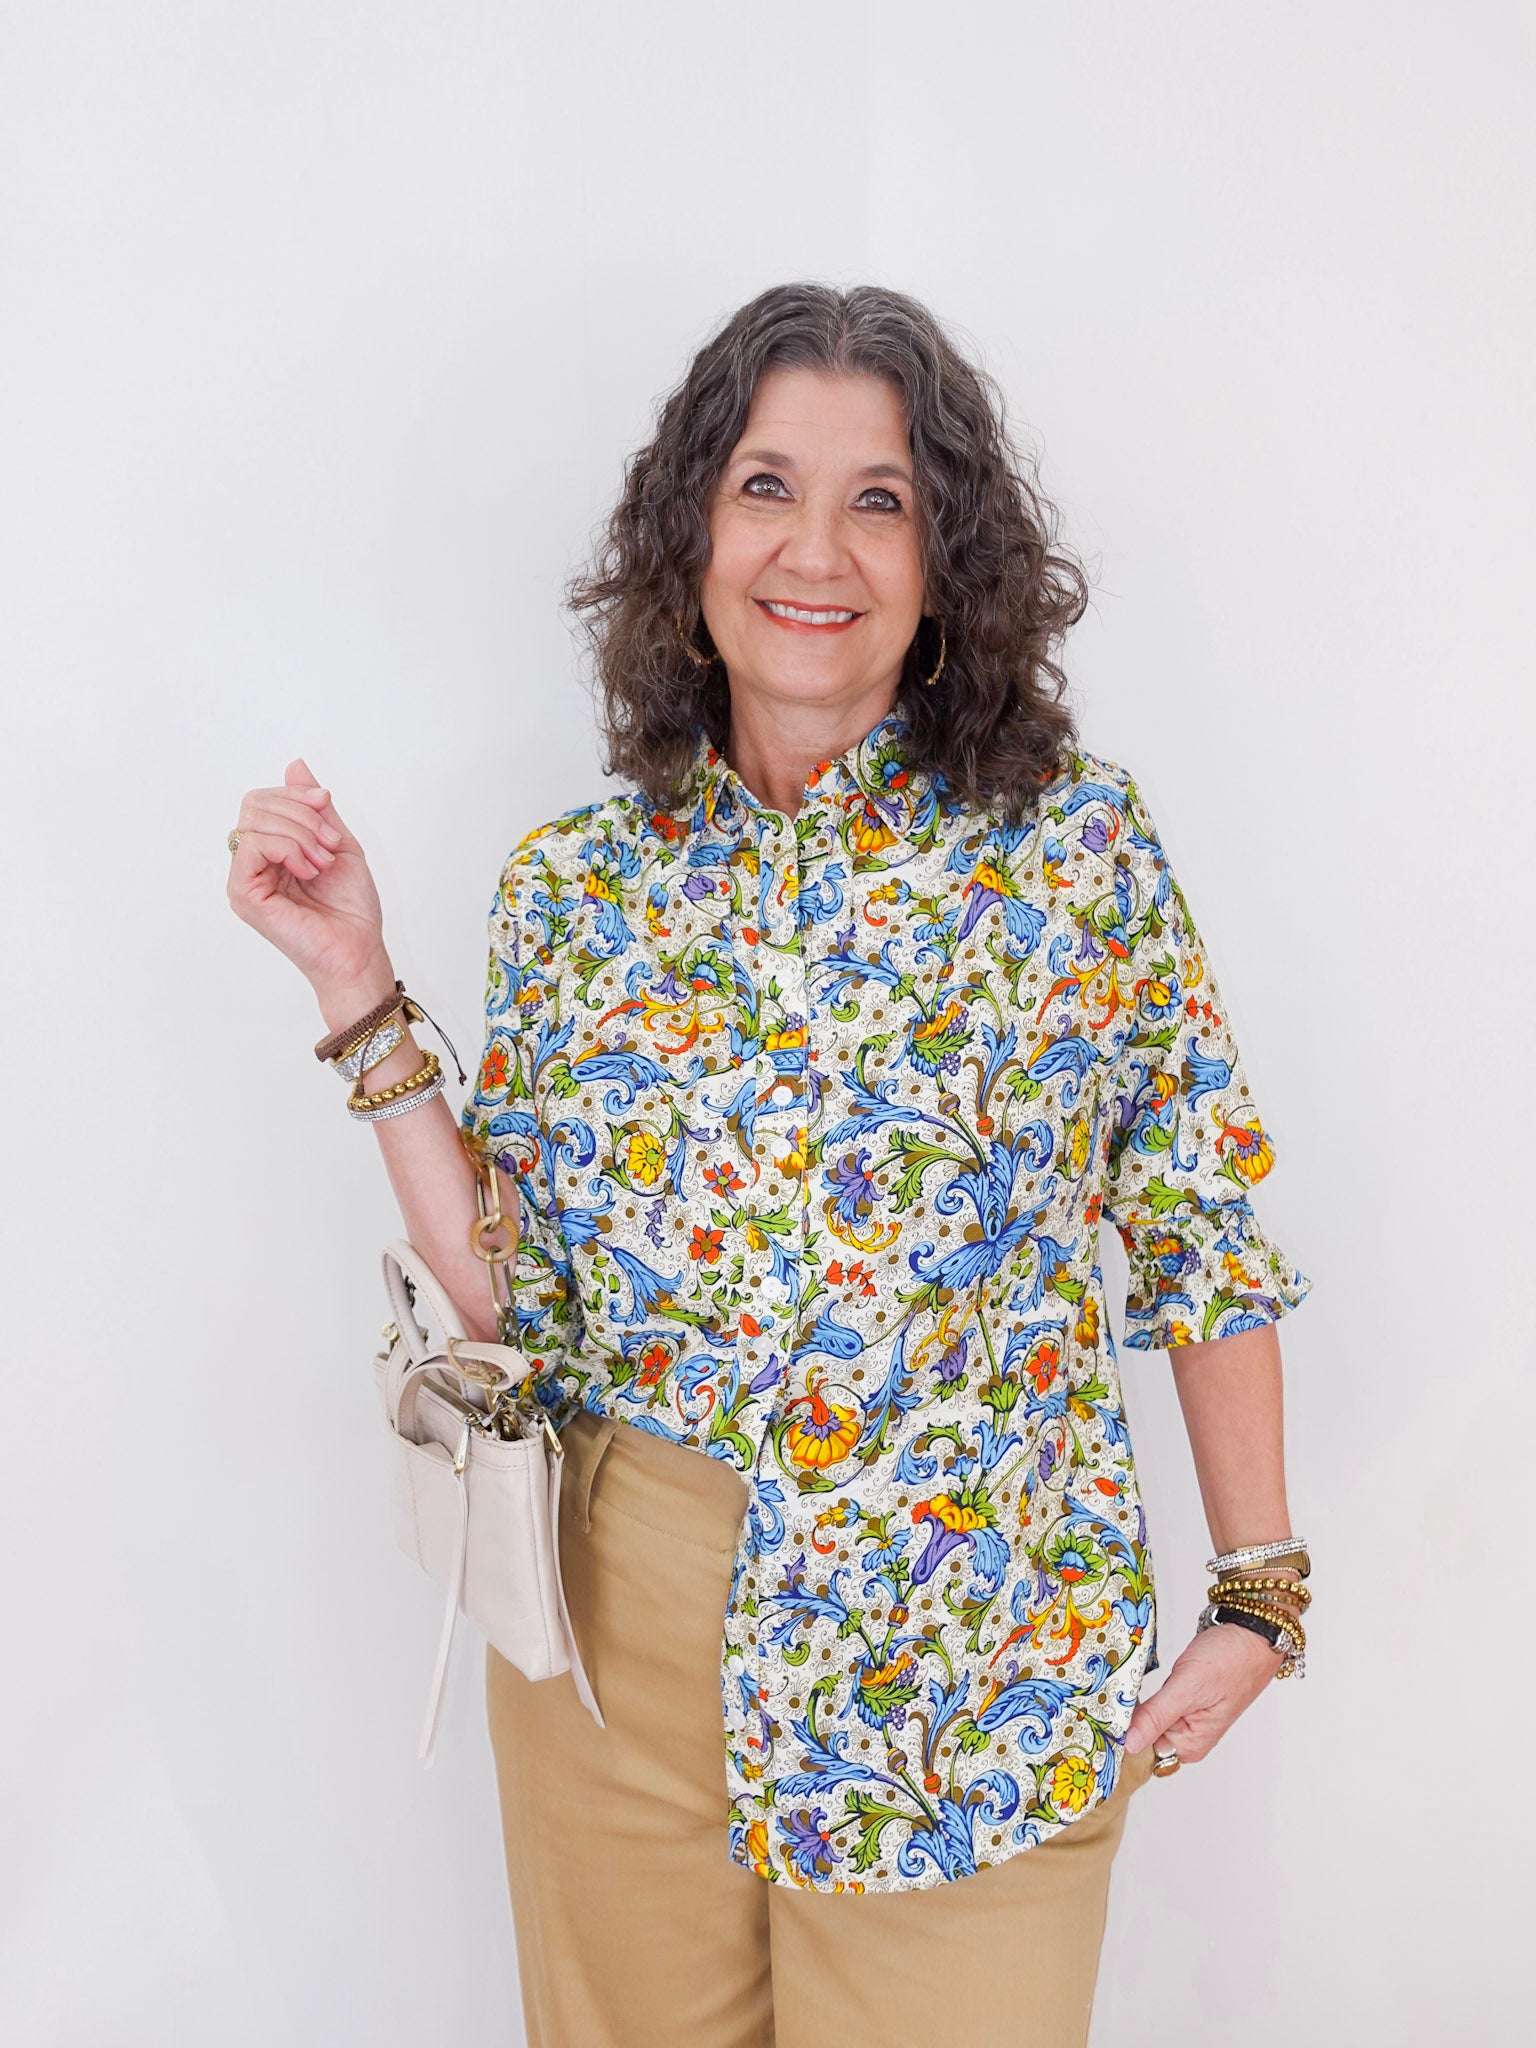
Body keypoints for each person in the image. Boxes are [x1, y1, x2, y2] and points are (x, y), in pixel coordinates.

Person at [227, 282, 1314, 2048]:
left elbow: (1197, 1227)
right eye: (764, 487)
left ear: (951, 558)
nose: (818, 548)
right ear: (690, 536)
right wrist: (358, 989)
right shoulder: (580, 886)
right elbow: (524, 1307)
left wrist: (1260, 1589)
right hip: (617, 1629)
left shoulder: (1072, 852)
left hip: (973, 1654)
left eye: (881, 498)